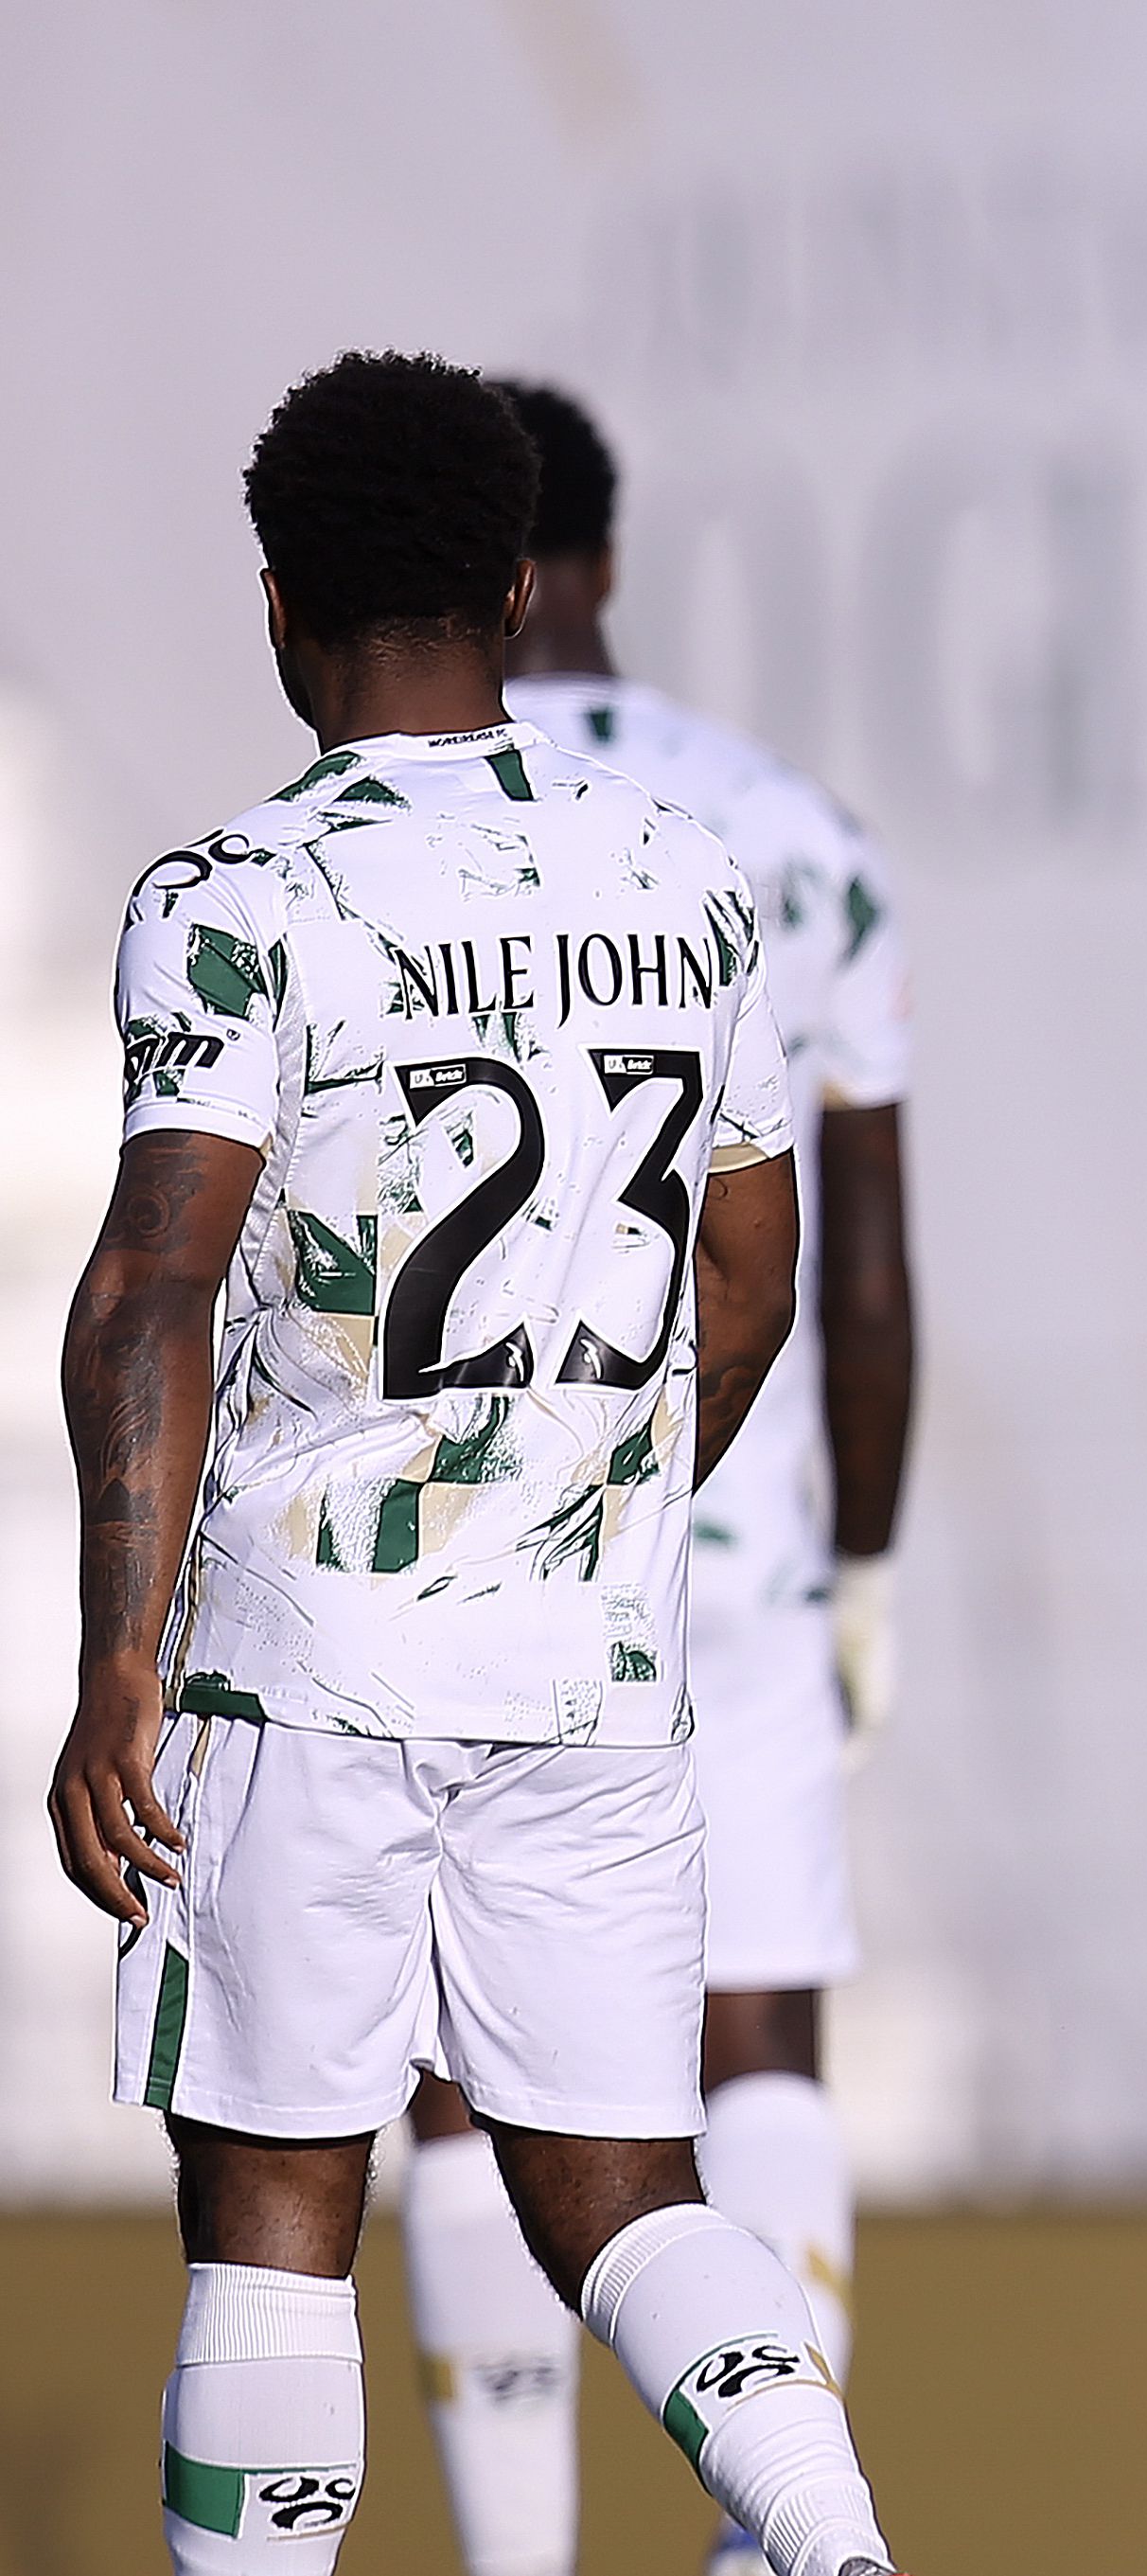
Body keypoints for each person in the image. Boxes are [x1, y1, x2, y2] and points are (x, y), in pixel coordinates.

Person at [44, 350, 903, 2576]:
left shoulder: (241, 891)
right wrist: (598, 1503)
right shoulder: (692, 878)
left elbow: (151, 1284)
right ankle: (839, 2544)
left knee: (274, 2200)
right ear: (522, 590)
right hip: (593, 1658)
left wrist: (115, 1658)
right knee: (630, 2186)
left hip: (306, 1650)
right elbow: (754, 1267)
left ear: (276, 607)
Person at [372, 379, 921, 2576]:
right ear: (583, 556)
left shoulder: (369, 830)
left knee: (457, 2060)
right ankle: (774, 2543)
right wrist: (862, 1556)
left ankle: (521, 2554)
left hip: (463, 1531)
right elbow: (862, 1267)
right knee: (754, 2018)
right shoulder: (787, 832)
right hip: (736, 1512)